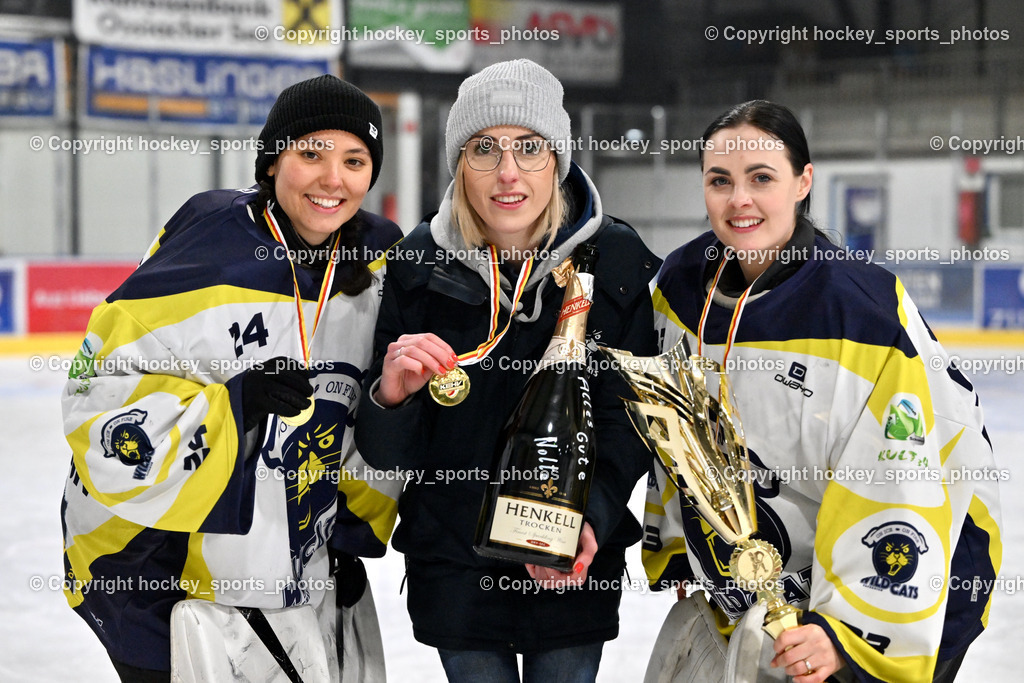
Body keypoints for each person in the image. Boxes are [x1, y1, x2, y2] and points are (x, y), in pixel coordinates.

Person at [642, 100, 1002, 682]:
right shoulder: (679, 289)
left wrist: (849, 637)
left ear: (803, 181)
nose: (740, 200)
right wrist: (679, 544)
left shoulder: (863, 313)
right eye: (720, 181)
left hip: (855, 613)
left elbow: (900, 481)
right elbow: (673, 432)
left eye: (762, 178)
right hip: (740, 605)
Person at [60, 74, 403, 681]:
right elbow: (96, 400)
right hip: (151, 565)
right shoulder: (207, 246)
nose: (334, 179)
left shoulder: (374, 261)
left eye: (355, 161)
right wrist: (233, 404)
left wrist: (345, 533)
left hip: (295, 565)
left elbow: (353, 415)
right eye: (311, 154)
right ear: (272, 163)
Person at [354, 59, 660, 682]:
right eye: (484, 149)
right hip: (458, 569)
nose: (508, 173)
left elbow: (629, 425)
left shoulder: (616, 260)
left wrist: (588, 521)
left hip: (571, 557)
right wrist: (391, 398)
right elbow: (386, 454)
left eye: (530, 148)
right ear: (459, 163)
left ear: (559, 160)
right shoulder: (416, 265)